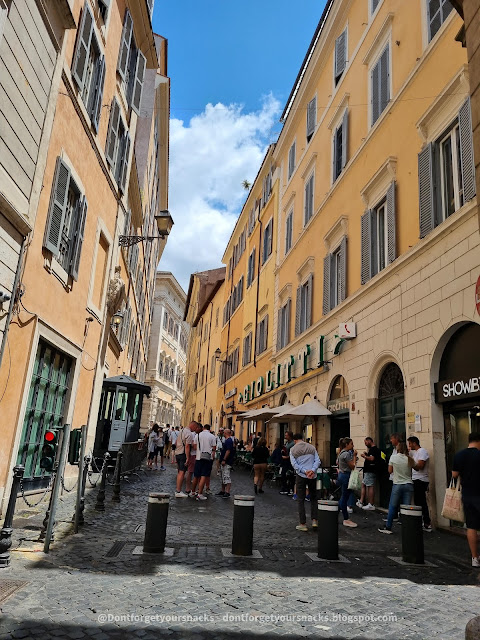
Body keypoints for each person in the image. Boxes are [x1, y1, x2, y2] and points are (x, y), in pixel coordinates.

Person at [452, 432, 480, 567]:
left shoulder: (459, 455)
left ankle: (475, 558)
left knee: (471, 526)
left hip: (467, 494)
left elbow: (454, 474)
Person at [378, 441, 414, 534]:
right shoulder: (409, 459)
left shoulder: (393, 457)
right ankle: (407, 528)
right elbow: (414, 468)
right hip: (409, 484)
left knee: (392, 506)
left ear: (397, 449)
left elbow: (390, 471)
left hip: (397, 484)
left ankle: (388, 527)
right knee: (407, 507)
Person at [289, 433, 320, 531]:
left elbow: (294, 464)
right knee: (314, 497)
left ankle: (303, 523)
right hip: (312, 475)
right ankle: (315, 520)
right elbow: (317, 460)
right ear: (302, 438)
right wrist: (312, 470)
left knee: (300, 499)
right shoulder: (311, 447)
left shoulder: (293, 450)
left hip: (301, 475)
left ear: (294, 440)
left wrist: (305, 471)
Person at [407, 436, 432, 532]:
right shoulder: (416, 453)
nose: (409, 445)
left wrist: (411, 462)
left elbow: (420, 466)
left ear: (414, 443)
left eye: (410, 443)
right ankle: (422, 521)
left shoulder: (422, 451)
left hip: (421, 480)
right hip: (416, 479)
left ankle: (427, 523)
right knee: (418, 501)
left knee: (421, 502)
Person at [191, 424, 217, 500]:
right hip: (207, 458)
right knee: (203, 476)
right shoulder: (212, 436)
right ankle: (200, 493)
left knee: (196, 476)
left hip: (198, 457)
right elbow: (214, 448)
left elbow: (195, 447)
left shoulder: (197, 435)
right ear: (209, 429)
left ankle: (193, 492)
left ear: (203, 428)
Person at [337, 438, 358, 528]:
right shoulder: (346, 454)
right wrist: (354, 456)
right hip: (346, 476)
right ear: (346, 445)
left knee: (344, 496)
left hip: (342, 475)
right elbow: (353, 466)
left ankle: (335, 512)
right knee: (344, 497)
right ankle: (346, 518)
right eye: (351, 444)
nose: (352, 445)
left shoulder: (341, 453)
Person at [357, 437, 382, 510]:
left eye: (365, 442)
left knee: (370, 486)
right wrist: (367, 454)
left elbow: (372, 458)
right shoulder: (373, 450)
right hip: (370, 470)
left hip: (370, 470)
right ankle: (362, 501)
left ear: (369, 441)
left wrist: (364, 456)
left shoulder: (373, 449)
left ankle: (370, 504)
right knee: (364, 484)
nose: (365, 444)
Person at [174, 422, 196, 498]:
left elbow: (176, 442)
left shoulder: (181, 431)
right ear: (193, 426)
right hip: (183, 454)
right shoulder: (189, 433)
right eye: (195, 427)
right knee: (182, 472)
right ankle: (178, 491)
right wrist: (187, 458)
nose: (195, 429)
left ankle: (178, 489)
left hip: (178, 452)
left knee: (180, 472)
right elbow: (187, 446)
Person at [218, 428, 235, 498]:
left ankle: (227, 491)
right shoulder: (227, 440)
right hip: (225, 460)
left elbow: (228, 451)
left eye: (224, 433)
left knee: (226, 476)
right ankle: (223, 490)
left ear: (226, 433)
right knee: (223, 476)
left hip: (227, 461)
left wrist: (224, 459)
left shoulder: (229, 441)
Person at [186, 422, 201, 495]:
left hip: (197, 455)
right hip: (193, 454)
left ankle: (196, 488)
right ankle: (188, 488)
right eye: (197, 427)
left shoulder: (198, 435)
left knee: (197, 473)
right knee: (190, 472)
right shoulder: (192, 434)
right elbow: (190, 445)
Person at [280, 431, 295, 496]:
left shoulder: (293, 444)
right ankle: (285, 488)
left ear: (290, 436)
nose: (285, 437)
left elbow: (292, 454)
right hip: (285, 462)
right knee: (284, 474)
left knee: (290, 475)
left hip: (290, 462)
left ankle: (289, 489)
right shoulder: (287, 443)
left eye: (286, 435)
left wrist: (286, 457)